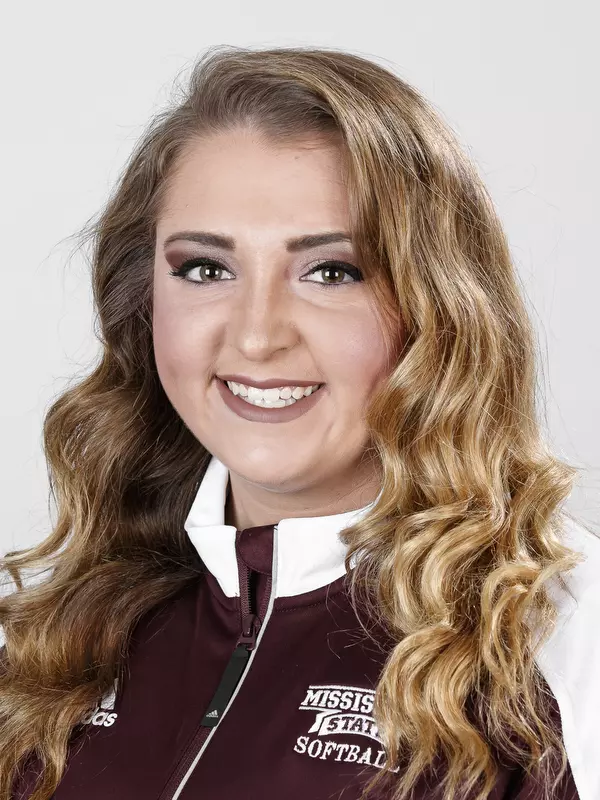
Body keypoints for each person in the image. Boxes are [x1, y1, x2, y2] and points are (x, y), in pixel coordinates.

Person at [0, 44, 597, 800]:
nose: (255, 336)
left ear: (439, 307)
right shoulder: (61, 636)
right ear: (142, 299)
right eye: (206, 269)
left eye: (332, 272)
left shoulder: (562, 636)